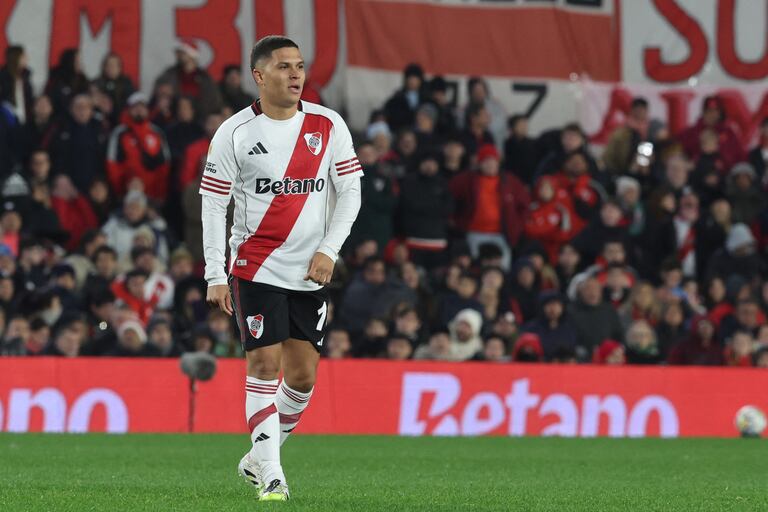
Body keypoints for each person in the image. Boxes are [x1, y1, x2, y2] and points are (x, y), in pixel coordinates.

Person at [201, 36, 362, 501]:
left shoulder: (327, 125)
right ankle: (273, 477)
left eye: (300, 66)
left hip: (311, 270)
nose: (295, 75)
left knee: (303, 376)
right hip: (256, 266)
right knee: (263, 362)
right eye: (284, 67)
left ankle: (260, 454)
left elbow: (350, 193)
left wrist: (330, 250)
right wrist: (215, 272)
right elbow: (214, 206)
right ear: (259, 76)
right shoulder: (234, 133)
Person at [106, 92, 171, 202]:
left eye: (142, 107)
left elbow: (164, 165)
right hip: (127, 195)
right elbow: (112, 165)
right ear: (129, 110)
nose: (139, 110)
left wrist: (160, 193)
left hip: (152, 195)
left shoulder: (156, 132)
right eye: (135, 107)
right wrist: (119, 191)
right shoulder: (119, 133)